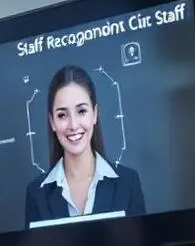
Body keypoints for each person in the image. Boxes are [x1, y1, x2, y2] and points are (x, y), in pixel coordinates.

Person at [25, 65, 146, 224]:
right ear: (52, 122)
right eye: (62, 115)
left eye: (81, 111)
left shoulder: (128, 183)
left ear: (94, 114)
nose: (73, 125)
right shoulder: (36, 194)